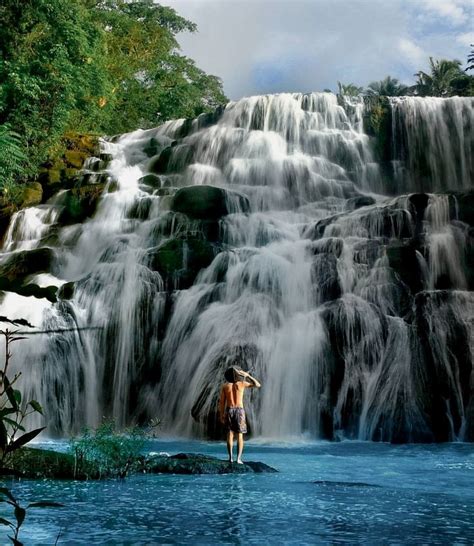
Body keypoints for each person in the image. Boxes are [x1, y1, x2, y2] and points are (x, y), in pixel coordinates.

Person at [218, 366, 261, 464]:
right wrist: (247, 375)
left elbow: (222, 403)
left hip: (229, 410)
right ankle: (238, 459)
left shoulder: (225, 386)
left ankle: (230, 458)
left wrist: (221, 415)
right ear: (238, 376)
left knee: (230, 435)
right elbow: (257, 385)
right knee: (240, 436)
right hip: (239, 411)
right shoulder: (242, 383)